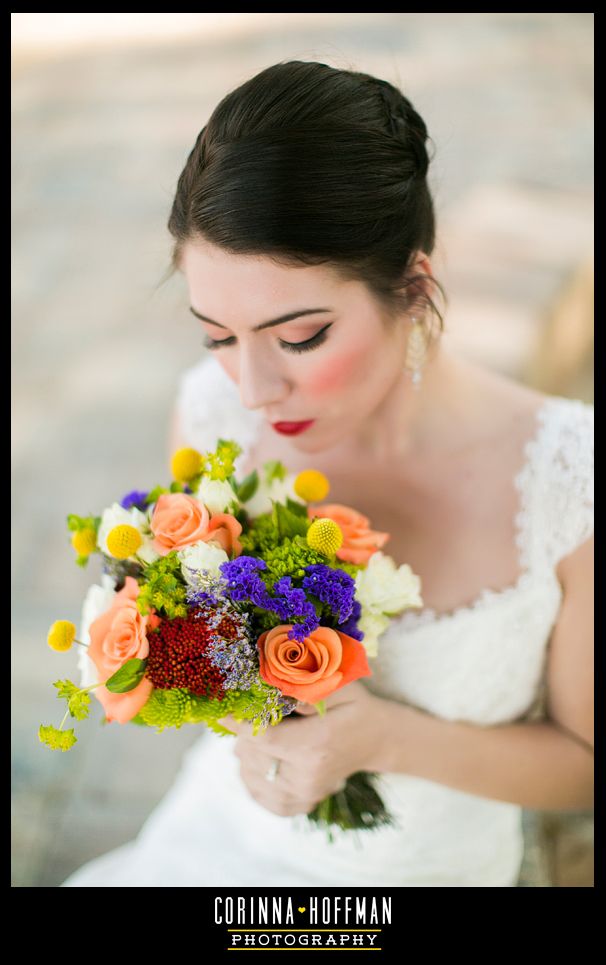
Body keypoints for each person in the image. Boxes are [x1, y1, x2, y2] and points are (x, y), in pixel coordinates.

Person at [61, 60, 593, 887]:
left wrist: (377, 737)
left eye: (300, 335)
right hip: (219, 847)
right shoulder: (211, 417)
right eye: (217, 334)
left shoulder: (571, 478)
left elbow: (584, 762)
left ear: (414, 287)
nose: (253, 388)